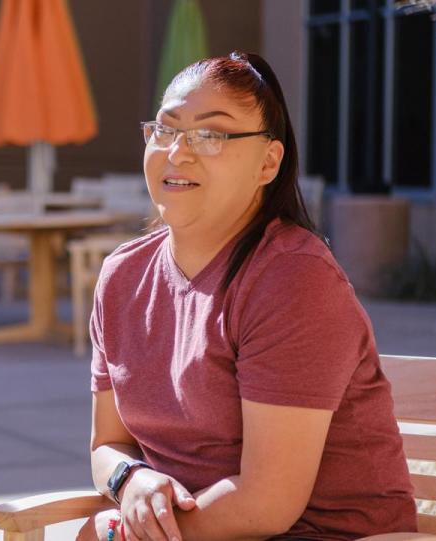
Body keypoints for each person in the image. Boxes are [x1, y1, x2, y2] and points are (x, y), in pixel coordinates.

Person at [79, 52, 416, 541]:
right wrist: (130, 478)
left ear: (268, 162)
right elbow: (107, 443)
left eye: (211, 135)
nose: (178, 152)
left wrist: (133, 536)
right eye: (166, 130)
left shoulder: (292, 279)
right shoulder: (121, 276)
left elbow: (266, 504)